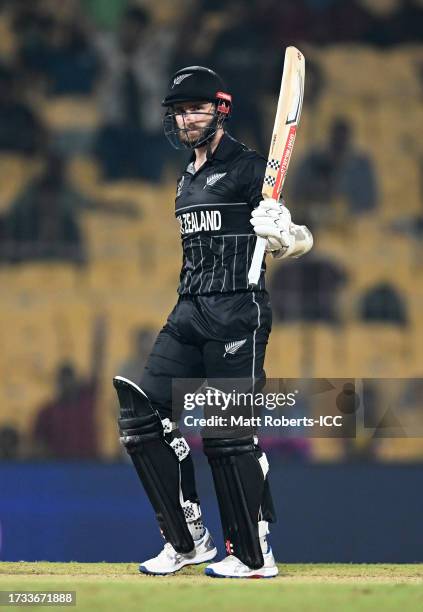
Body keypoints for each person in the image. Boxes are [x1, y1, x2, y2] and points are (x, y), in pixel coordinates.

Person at [113, 66, 313, 578]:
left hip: (237, 312)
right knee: (140, 413)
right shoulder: (187, 177)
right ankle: (188, 540)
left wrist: (282, 235)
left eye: (196, 108)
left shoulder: (249, 168)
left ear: (220, 110)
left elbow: (300, 238)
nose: (186, 118)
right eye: (179, 111)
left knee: (227, 435)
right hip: (189, 309)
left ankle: (252, 553)